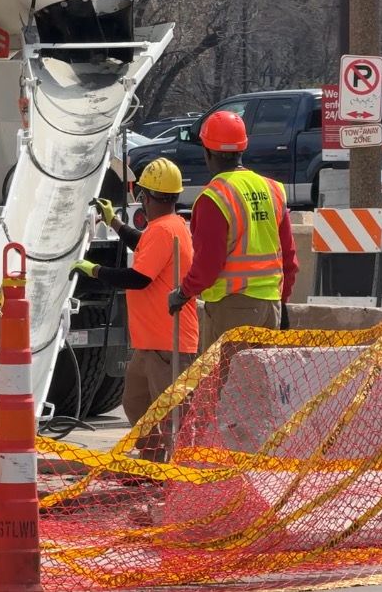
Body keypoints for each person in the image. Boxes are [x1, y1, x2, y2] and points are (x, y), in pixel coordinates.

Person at [70, 159, 199, 461]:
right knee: (137, 403)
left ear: (147, 197)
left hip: (168, 345)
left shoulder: (163, 231)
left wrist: (96, 270)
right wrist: (114, 222)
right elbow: (144, 246)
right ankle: (154, 464)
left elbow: (138, 279)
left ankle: (179, 479)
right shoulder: (170, 226)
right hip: (153, 344)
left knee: (171, 418)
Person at [167, 111, 298, 348]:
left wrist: (183, 293)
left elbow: (208, 264)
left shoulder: (214, 197)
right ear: (242, 149)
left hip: (233, 307)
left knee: (223, 383)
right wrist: (283, 300)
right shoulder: (273, 190)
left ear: (207, 152)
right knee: (259, 384)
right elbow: (288, 256)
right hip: (270, 305)